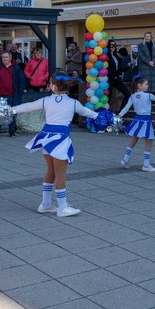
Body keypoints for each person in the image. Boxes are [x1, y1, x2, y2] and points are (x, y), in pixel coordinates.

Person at [10, 75, 99, 217]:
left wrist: (10, 110)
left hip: (46, 138)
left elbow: (27, 107)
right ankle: (62, 207)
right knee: (60, 174)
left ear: (54, 86)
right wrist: (104, 118)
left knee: (51, 171)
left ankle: (45, 205)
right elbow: (88, 113)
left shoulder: (46, 100)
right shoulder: (73, 103)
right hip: (60, 140)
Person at [119, 77, 155, 172]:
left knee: (134, 139)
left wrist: (119, 115)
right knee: (148, 142)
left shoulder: (132, 96)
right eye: (146, 84)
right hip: (146, 121)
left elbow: (126, 108)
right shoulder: (148, 95)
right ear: (139, 85)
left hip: (137, 120)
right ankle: (146, 165)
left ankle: (125, 159)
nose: (147, 86)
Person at [0, 52, 26, 137]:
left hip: (11, 94)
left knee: (11, 114)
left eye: (6, 57)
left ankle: (11, 132)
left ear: (10, 58)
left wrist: (19, 91)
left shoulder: (16, 68)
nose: (4, 59)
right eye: (3, 57)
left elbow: (22, 80)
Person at [107, 40, 130, 110]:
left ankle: (121, 113)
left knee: (128, 94)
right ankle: (104, 114)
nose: (113, 47)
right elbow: (106, 69)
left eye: (114, 45)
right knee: (108, 97)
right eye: (111, 45)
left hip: (117, 79)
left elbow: (119, 68)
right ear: (108, 46)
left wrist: (119, 75)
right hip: (109, 79)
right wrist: (114, 76)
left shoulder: (116, 56)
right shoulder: (106, 56)